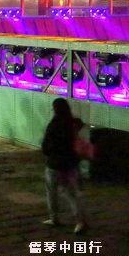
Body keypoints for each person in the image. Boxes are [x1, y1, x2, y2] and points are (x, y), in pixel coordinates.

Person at [42, 98, 87, 234]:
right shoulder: (73, 124)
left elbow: (45, 147)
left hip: (54, 164)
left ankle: (54, 218)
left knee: (52, 192)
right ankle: (80, 221)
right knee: (72, 194)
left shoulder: (53, 125)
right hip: (70, 164)